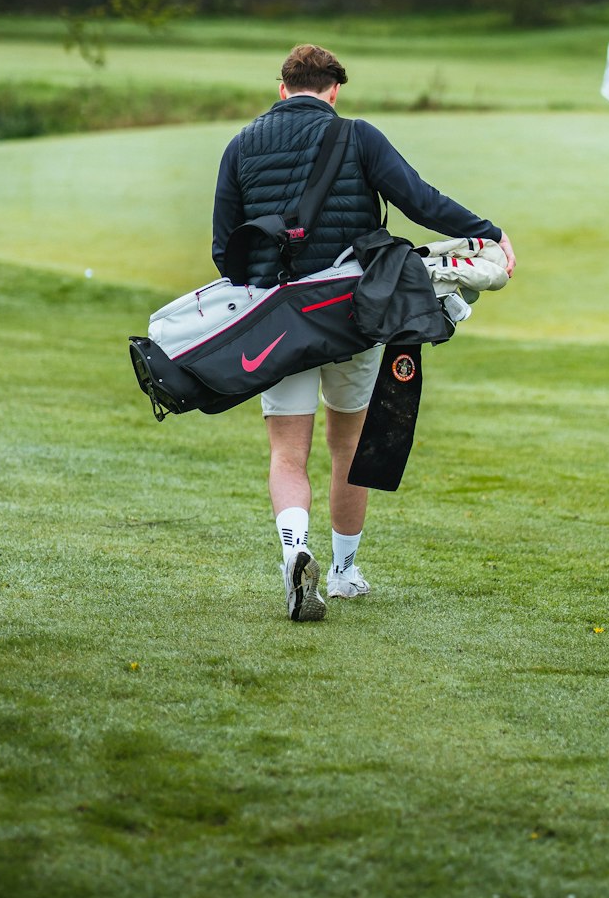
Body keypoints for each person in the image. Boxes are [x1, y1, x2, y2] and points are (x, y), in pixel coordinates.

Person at [212, 44, 515, 622]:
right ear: (334, 92)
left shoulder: (240, 146)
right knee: (346, 444)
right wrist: (488, 234)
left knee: (287, 453)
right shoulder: (357, 135)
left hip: (278, 320)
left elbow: (224, 251)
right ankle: (346, 572)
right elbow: (420, 201)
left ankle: (295, 553)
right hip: (353, 316)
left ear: (282, 89)